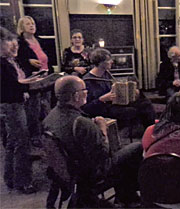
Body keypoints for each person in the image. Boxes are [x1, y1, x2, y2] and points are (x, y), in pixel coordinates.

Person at [43, 75, 143, 208]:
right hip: (88, 176)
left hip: (66, 173)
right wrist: (102, 128)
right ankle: (128, 198)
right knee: (136, 148)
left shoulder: (50, 117)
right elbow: (103, 155)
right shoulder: (81, 123)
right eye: (84, 90)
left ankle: (126, 197)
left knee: (123, 153)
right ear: (76, 96)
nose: (87, 92)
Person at [82, 48, 155, 138]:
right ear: (100, 63)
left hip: (113, 104)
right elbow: (86, 108)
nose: (112, 62)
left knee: (145, 103)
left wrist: (130, 92)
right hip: (102, 109)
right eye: (108, 60)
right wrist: (102, 99)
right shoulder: (87, 81)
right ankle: (146, 134)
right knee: (132, 110)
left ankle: (151, 132)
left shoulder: (106, 74)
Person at [0, 26, 38, 194]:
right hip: (11, 105)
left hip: (14, 104)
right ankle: (23, 182)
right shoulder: (1, 63)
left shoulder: (8, 61)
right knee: (22, 142)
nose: (14, 46)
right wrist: (27, 85)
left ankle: (11, 178)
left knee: (13, 142)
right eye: (9, 42)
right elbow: (7, 88)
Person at [17, 15, 53, 147]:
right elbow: (17, 62)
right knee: (34, 109)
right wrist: (28, 61)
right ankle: (35, 136)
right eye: (28, 24)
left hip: (45, 79)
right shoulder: (20, 43)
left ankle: (47, 133)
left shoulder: (40, 41)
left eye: (33, 23)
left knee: (46, 107)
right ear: (22, 27)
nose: (32, 25)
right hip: (31, 80)